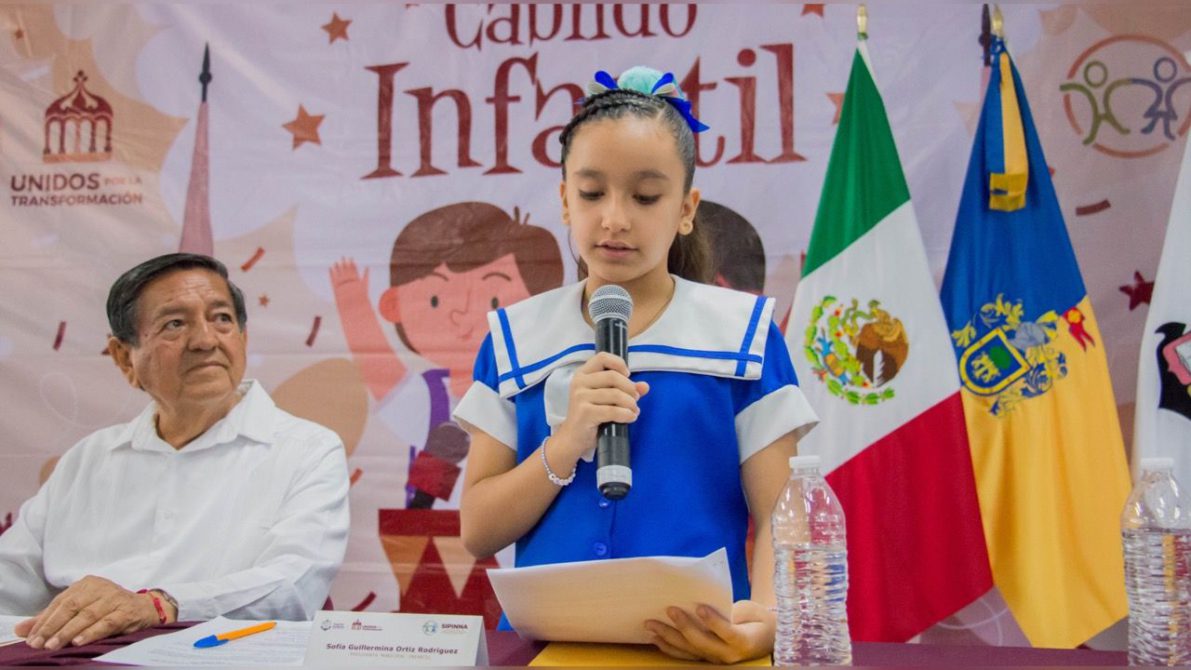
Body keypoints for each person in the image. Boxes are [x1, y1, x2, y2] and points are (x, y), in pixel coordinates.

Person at [453, 67, 818, 664]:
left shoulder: (742, 334)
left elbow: (783, 513)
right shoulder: (515, 340)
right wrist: (564, 445)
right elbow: (479, 531)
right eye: (592, 193)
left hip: (699, 646)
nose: (615, 219)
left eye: (646, 197)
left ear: (686, 209)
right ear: (564, 200)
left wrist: (770, 623)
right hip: (550, 648)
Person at [0, 253, 350, 650]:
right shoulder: (88, 458)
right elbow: (10, 578)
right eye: (175, 324)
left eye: (222, 319)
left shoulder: (306, 450)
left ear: (243, 339)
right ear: (123, 357)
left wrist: (159, 605)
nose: (205, 341)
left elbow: (293, 586)